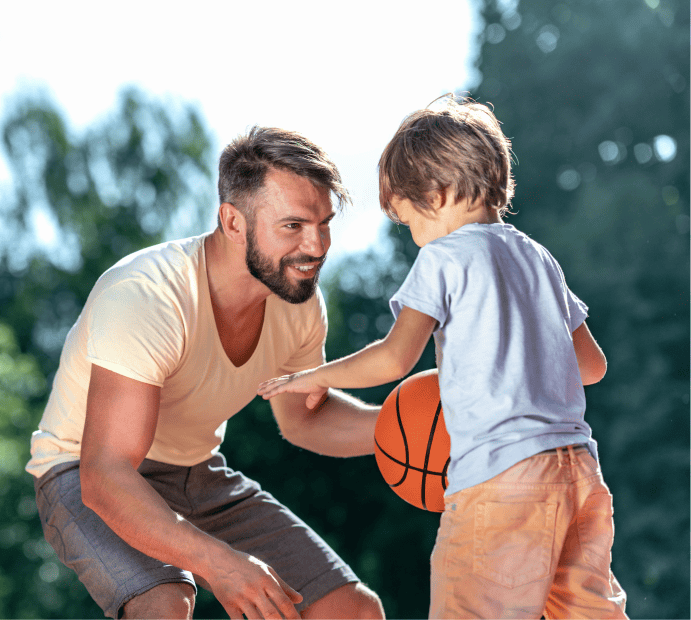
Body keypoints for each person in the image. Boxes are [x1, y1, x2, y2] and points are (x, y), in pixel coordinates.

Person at [258, 96, 629, 619]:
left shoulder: (443, 258)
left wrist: (313, 376)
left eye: (410, 222)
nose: (414, 238)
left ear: (438, 193)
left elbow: (394, 359)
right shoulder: (537, 256)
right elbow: (592, 366)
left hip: (500, 481)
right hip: (579, 474)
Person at [26, 126, 386, 620]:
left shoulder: (297, 301)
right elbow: (104, 475)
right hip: (83, 469)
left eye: (324, 223)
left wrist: (410, 427)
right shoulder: (148, 295)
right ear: (233, 222)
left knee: (351, 611)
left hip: (196, 473)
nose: (317, 245)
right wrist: (222, 564)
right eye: (293, 226)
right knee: (166, 603)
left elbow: (305, 419)